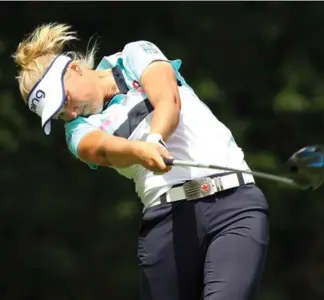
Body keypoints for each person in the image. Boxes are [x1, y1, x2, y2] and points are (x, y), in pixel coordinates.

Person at [13, 23, 270, 300]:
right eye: (60, 113)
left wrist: (156, 138)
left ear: (74, 68)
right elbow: (104, 149)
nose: (71, 111)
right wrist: (140, 152)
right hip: (167, 223)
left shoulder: (133, 55)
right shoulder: (77, 131)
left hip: (234, 204)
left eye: (66, 99)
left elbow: (167, 98)